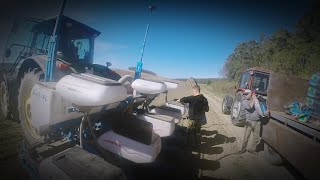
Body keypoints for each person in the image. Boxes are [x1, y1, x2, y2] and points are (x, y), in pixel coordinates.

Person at [239, 89, 269, 155]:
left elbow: (262, 106)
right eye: (244, 94)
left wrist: (266, 111)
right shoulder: (244, 101)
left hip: (258, 121)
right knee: (246, 136)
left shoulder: (256, 100)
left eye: (247, 94)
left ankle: (252, 149)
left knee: (256, 137)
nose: (245, 95)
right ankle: (243, 149)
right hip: (249, 121)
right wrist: (254, 99)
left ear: (251, 94)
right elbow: (249, 107)